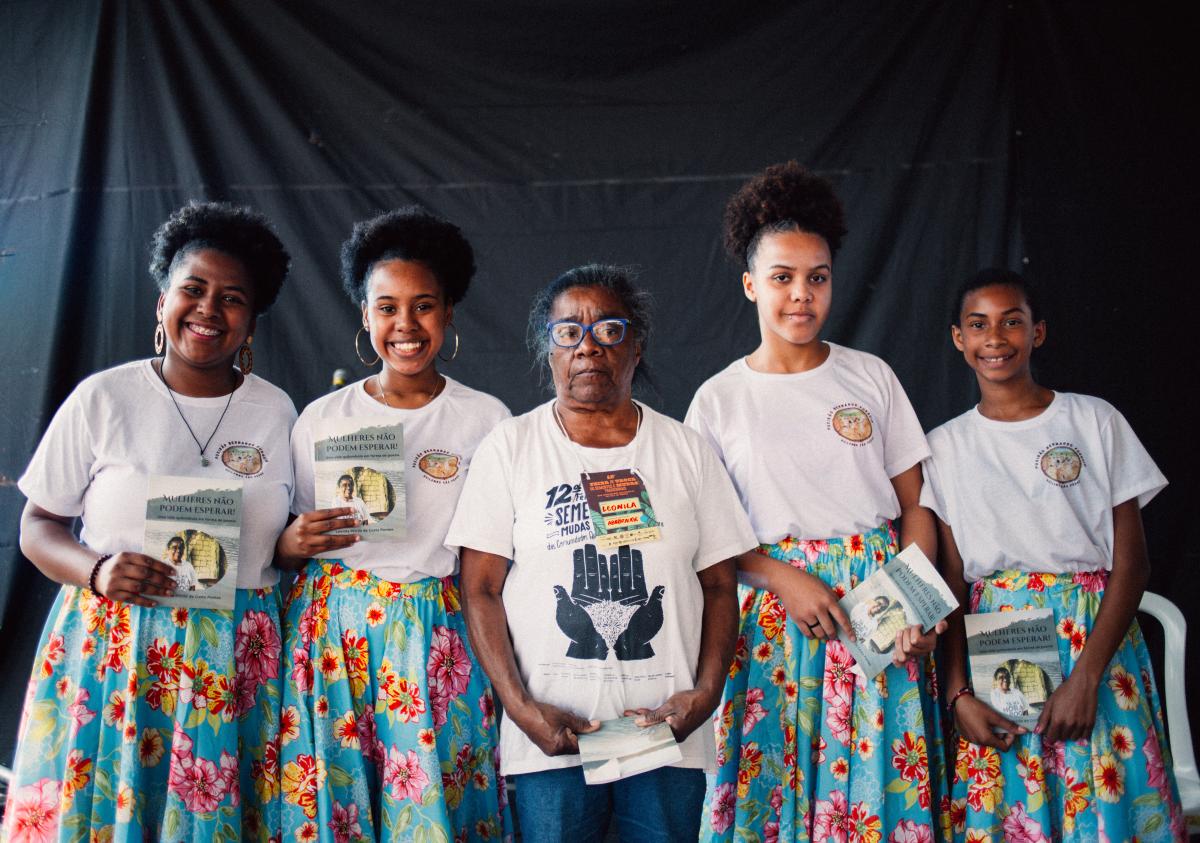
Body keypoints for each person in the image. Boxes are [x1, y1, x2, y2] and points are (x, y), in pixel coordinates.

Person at [4, 201, 295, 842]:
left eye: (233, 298)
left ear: (252, 321)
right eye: (193, 290)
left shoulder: (278, 412)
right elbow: (37, 524)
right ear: (161, 301)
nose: (209, 310)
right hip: (116, 649)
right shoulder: (103, 398)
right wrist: (98, 569)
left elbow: (283, 544)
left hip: (234, 661)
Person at [448, 265, 758, 842]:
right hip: (553, 734)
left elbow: (719, 584)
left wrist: (707, 694)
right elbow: (480, 588)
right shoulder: (511, 448)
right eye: (568, 332)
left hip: (665, 732)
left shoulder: (685, 451)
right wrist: (520, 707)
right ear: (549, 351)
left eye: (608, 330)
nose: (588, 347)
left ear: (636, 346)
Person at [685, 162, 948, 841]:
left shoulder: (871, 377)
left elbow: (917, 505)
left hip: (879, 607)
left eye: (817, 277)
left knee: (875, 795)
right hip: (772, 618)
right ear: (750, 285)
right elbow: (705, 532)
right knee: (771, 797)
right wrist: (779, 576)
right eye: (782, 277)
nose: (801, 294)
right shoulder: (718, 399)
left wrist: (913, 601)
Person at [922, 268, 1185, 841]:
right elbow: (953, 581)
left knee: (1106, 802)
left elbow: (1132, 563)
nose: (995, 337)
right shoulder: (943, 447)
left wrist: (1086, 677)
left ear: (1037, 333)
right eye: (978, 325)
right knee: (1018, 807)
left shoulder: (1093, 420)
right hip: (1000, 638)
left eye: (1011, 321)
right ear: (958, 339)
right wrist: (958, 691)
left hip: (1096, 638)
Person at [275, 208, 511, 841]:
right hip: (335, 635)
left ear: (450, 311)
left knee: (434, 799)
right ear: (364, 315)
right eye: (387, 308)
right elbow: (287, 543)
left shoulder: (486, 419)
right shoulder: (321, 418)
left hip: (441, 632)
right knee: (340, 798)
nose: (405, 326)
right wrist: (294, 542)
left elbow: (498, 547)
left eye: (424, 306)